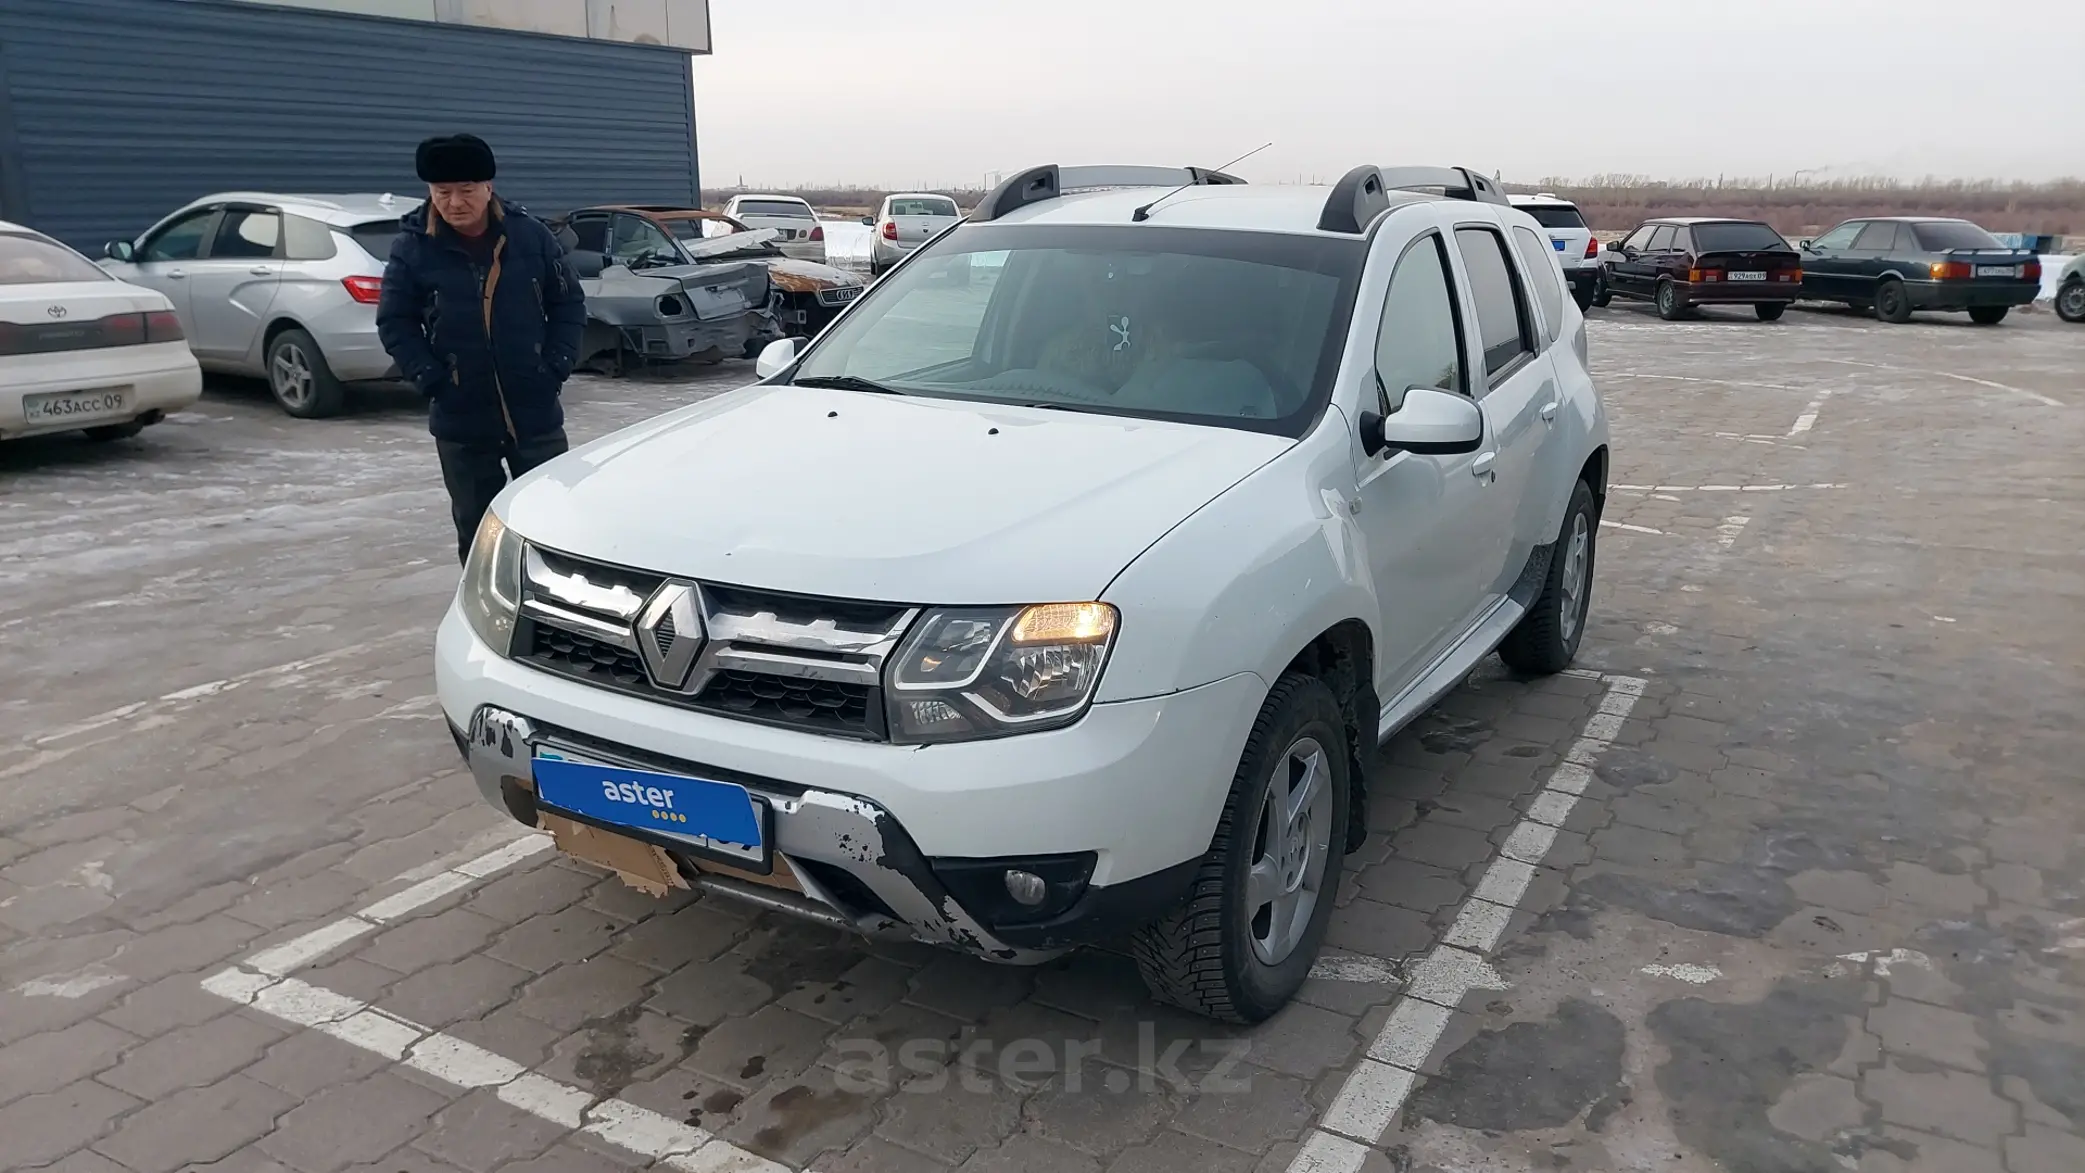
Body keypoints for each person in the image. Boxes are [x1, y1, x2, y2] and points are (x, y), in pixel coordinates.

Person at [376, 133, 586, 564]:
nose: (454, 202)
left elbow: (568, 303)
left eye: (466, 190)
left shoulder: (530, 236)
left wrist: (556, 366)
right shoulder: (412, 247)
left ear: (488, 187)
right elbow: (395, 321)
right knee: (478, 533)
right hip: (460, 418)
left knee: (553, 523)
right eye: (442, 192)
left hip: (534, 410)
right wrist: (431, 378)